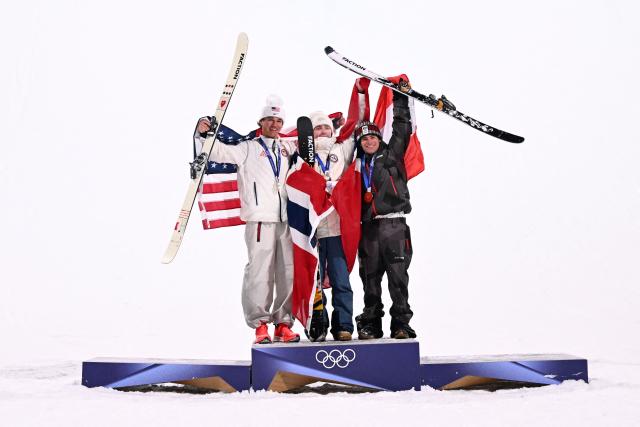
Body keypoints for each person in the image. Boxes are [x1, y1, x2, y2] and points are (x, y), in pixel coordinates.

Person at [196, 95, 300, 344]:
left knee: (289, 272)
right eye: (269, 119)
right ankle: (260, 324)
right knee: (259, 273)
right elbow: (219, 152)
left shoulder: (288, 148)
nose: (274, 124)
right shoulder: (249, 148)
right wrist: (204, 134)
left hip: (287, 220)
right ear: (260, 121)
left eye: (278, 120)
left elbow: (317, 143)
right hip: (259, 221)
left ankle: (283, 324)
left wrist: (335, 127)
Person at [354, 81, 417, 340]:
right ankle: (370, 324)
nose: (369, 141)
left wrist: (401, 96)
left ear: (379, 138)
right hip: (368, 228)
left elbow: (402, 127)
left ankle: (401, 324)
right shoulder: (354, 165)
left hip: (394, 225)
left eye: (373, 137)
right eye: (364, 138)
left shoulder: (392, 155)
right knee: (370, 279)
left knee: (398, 279)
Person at [307, 111, 355, 341]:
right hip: (313, 231)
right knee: (314, 284)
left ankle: (343, 326)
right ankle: (318, 325)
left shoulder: (341, 149)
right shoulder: (303, 155)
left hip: (336, 228)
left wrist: (360, 92)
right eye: (318, 128)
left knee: (340, 280)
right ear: (310, 134)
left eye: (326, 127)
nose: (323, 132)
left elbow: (357, 126)